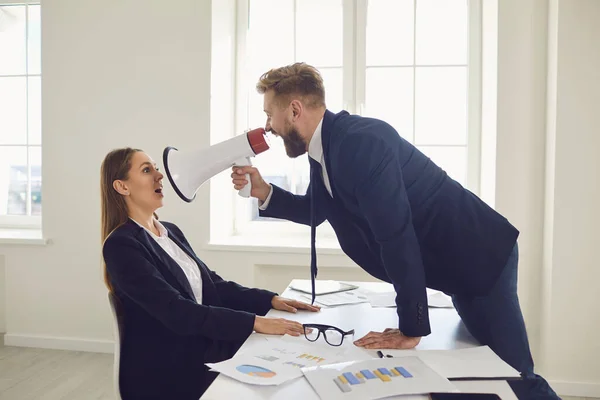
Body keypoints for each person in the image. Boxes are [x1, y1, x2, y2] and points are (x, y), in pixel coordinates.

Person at [230, 62, 559, 399]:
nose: (268, 127)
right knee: (478, 374)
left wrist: (410, 328)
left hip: (482, 259)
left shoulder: (361, 143)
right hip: (455, 267)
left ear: (294, 109)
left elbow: (396, 235)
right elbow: (315, 211)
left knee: (514, 378)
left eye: (270, 114)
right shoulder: (326, 149)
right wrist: (263, 191)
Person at [101, 147, 320, 400]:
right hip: (169, 370)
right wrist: (255, 322)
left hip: (200, 348)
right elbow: (177, 311)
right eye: (147, 170)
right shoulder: (121, 245)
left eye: (156, 169)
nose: (160, 176)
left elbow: (214, 286)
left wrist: (269, 300)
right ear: (122, 187)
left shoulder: (169, 231)